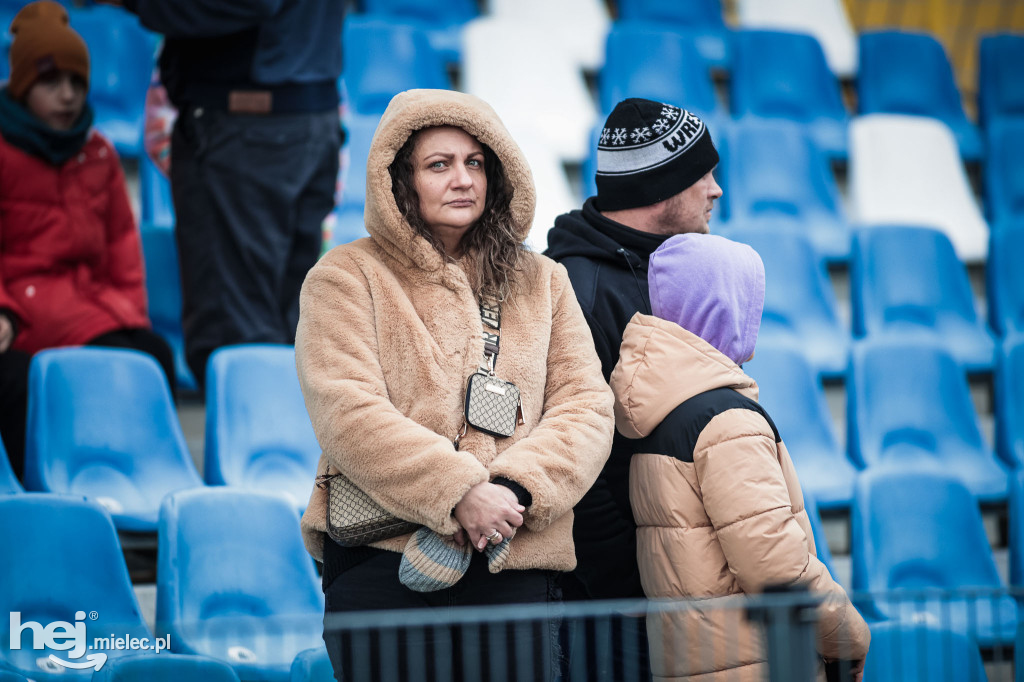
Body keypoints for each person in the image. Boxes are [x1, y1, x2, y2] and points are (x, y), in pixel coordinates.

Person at [295, 88, 615, 682]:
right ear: (401, 181)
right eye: (439, 165)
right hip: (380, 561)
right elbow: (347, 410)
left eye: (475, 163)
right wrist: (458, 490)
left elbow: (587, 408)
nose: (462, 179)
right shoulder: (344, 276)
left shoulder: (545, 281)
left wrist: (513, 491)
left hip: (513, 556)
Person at [611, 233, 871, 681]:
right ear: (723, 307)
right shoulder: (726, 421)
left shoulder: (660, 409)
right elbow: (776, 567)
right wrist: (849, 637)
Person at [544, 98, 723, 677]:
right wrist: (632, 583)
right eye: (703, 177)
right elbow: (575, 461)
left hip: (661, 579)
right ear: (659, 188)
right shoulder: (581, 288)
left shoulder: (662, 268)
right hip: (613, 602)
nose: (716, 191)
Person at [116, 0, 345, 387]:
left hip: (248, 124)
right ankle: (281, 447)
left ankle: (259, 446)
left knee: (237, 341)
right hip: (305, 112)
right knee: (289, 333)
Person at [0, 1, 175, 477]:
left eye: (76, 82)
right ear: (22, 87)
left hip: (84, 313)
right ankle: (39, 487)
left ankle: (132, 476)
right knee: (13, 379)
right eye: (51, 82)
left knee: (151, 356)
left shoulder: (95, 151)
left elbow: (121, 246)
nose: (67, 95)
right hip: (20, 317)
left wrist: (126, 315)